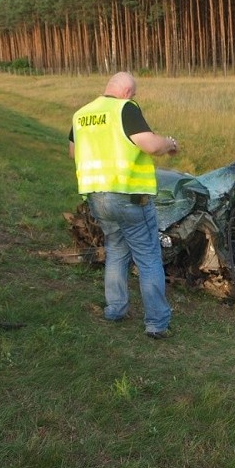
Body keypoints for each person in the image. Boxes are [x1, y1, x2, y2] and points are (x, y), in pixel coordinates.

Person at [69, 72, 179, 339]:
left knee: (116, 250)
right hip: (128, 196)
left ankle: (115, 309)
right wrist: (169, 144)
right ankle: (156, 322)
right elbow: (150, 144)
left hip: (97, 197)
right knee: (148, 256)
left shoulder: (82, 114)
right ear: (128, 92)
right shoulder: (125, 108)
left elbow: (72, 151)